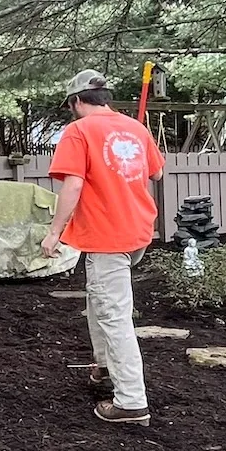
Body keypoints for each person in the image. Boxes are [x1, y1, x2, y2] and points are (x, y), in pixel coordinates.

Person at [40, 70, 165, 427]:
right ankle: (105, 368)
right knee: (100, 302)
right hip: (137, 232)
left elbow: (73, 186)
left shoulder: (78, 131)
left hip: (107, 236)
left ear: (77, 101)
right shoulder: (136, 129)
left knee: (114, 315)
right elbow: (156, 174)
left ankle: (131, 401)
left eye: (71, 106)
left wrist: (54, 232)